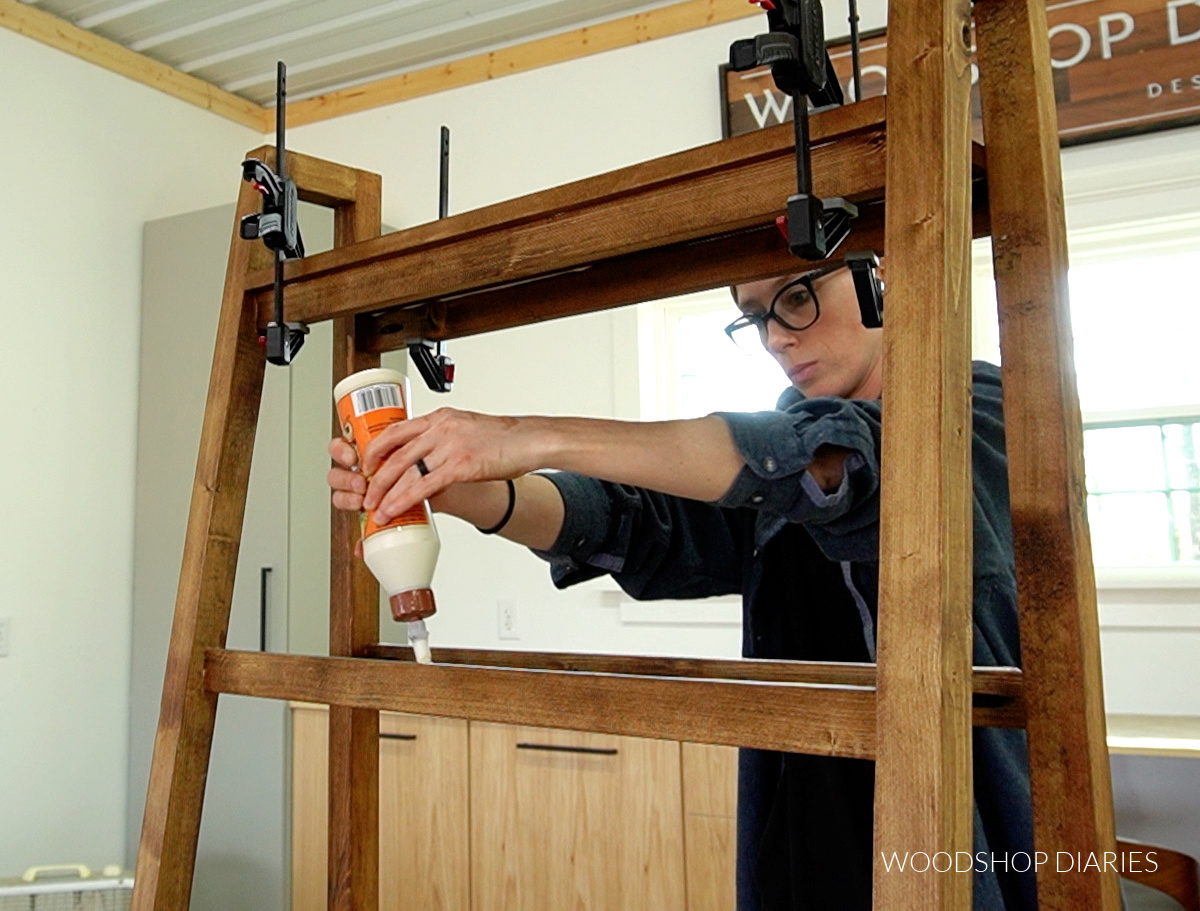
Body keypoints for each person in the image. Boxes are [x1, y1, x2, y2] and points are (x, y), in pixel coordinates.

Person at [327, 259, 1038, 910]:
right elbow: (640, 524)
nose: (777, 339)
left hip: (955, 841)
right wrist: (461, 487)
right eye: (755, 317)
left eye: (796, 298)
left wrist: (523, 435)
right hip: (806, 842)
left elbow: (831, 466)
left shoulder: (975, 407)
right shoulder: (785, 436)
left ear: (881, 274)